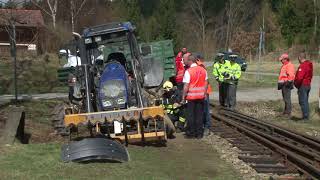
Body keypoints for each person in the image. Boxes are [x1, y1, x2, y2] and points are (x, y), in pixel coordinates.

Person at [181, 55, 208, 139]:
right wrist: (205, 94)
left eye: (187, 61)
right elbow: (206, 83)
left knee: (191, 115)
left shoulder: (188, 71)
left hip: (191, 97)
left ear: (190, 61)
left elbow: (186, 86)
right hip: (201, 96)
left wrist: (183, 97)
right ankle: (199, 134)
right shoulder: (203, 70)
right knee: (199, 115)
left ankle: (191, 133)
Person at [195, 53, 213, 136]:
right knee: (201, 110)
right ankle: (202, 126)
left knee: (205, 110)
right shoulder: (198, 66)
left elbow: (205, 81)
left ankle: (207, 127)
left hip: (204, 92)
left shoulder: (200, 66)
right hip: (200, 91)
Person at [294, 52, 313, 120]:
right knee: (305, 101)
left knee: (302, 101)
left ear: (299, 58)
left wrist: (296, 84)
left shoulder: (303, 65)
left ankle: (305, 117)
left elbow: (299, 78)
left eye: (298, 58)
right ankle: (306, 115)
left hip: (303, 85)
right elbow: (310, 75)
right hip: (308, 84)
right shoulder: (309, 64)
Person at [277, 53, 295, 117]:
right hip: (283, 84)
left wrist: (288, 82)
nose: (281, 61)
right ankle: (285, 111)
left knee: (287, 99)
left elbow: (291, 76)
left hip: (286, 84)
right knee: (285, 98)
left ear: (285, 59)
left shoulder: (289, 65)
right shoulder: (284, 65)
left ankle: (288, 113)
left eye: (282, 60)